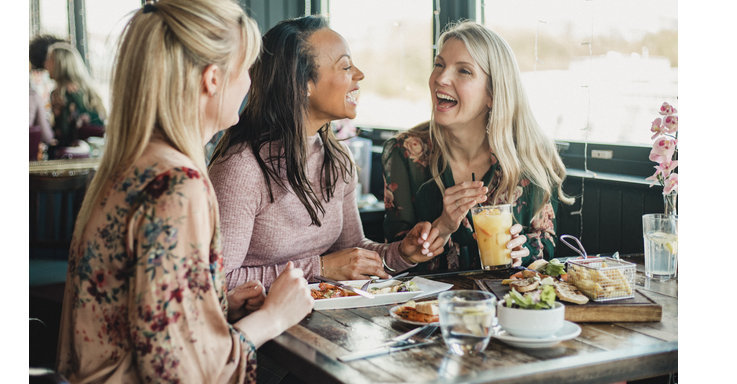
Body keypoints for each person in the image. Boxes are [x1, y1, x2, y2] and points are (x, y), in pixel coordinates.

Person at [56, 0, 314, 384]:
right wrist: (274, 317)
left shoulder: (131, 163)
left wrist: (211, 303)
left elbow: (140, 315)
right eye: (247, 69)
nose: (250, 84)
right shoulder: (179, 184)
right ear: (213, 79)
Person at [208, 16, 445, 292]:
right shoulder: (242, 168)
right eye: (345, 66)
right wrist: (319, 268)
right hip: (260, 328)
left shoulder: (337, 159)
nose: (359, 74)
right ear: (303, 84)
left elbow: (352, 253)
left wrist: (402, 254)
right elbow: (215, 282)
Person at [382, 21, 574, 273]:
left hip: (507, 305)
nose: (441, 78)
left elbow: (545, 240)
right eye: (439, 64)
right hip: (428, 308)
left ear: (493, 94)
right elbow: (395, 257)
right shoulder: (406, 152)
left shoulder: (532, 154)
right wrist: (444, 225)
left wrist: (523, 248)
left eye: (463, 71)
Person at [45, 42, 106, 149]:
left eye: (50, 59)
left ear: (60, 64)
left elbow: (63, 134)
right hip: (96, 150)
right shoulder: (89, 90)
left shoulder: (60, 93)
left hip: (72, 154)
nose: (45, 64)